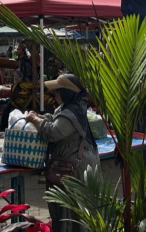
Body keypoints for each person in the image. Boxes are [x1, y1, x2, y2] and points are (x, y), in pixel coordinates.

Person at [26, 74, 99, 232]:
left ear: (67, 93)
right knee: (70, 213)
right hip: (74, 166)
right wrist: (40, 117)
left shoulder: (71, 112)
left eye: (58, 91)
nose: (55, 94)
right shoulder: (72, 106)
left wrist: (35, 120)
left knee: (73, 215)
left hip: (75, 169)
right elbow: (54, 118)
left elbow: (54, 131)